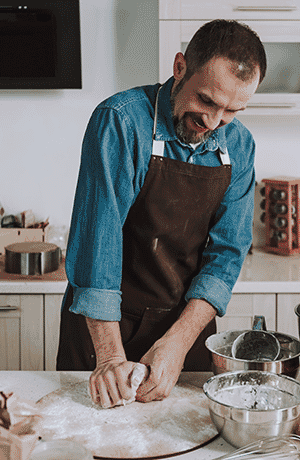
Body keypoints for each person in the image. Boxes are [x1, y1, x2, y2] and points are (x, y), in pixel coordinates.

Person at [56, 19, 267, 409]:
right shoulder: (122, 122)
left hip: (183, 324)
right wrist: (110, 357)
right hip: (103, 325)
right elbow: (96, 243)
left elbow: (226, 256)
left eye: (231, 111)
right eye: (206, 100)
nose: (212, 122)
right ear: (180, 67)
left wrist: (179, 342)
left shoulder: (239, 146)